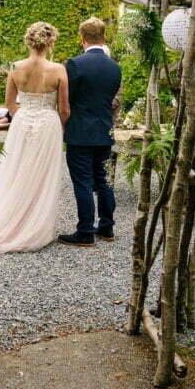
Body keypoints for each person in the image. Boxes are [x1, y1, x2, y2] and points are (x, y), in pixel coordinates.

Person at [0, 22, 70, 252]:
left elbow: (10, 103)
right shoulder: (59, 69)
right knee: (42, 174)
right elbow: (64, 109)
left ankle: (10, 221)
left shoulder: (14, 67)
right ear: (50, 42)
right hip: (48, 124)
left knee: (17, 170)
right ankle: (33, 226)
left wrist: (25, 115)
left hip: (21, 122)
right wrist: (57, 126)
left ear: (28, 42)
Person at [58, 17, 122, 247]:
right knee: (103, 181)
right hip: (104, 132)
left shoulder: (74, 64)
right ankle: (107, 228)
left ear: (82, 38)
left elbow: (67, 100)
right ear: (103, 37)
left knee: (83, 182)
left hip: (80, 133)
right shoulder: (115, 67)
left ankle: (85, 231)